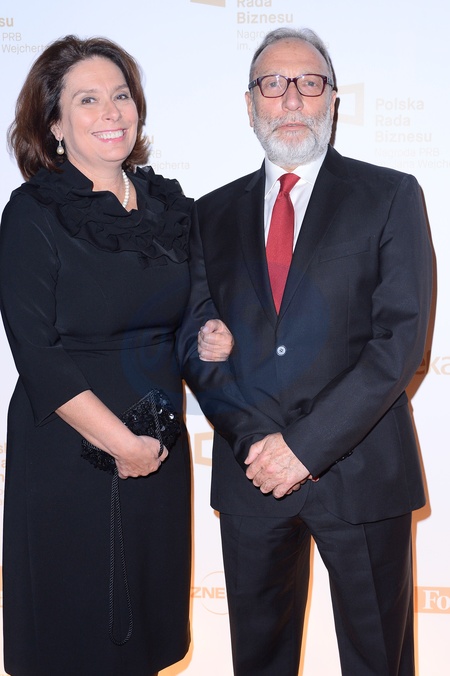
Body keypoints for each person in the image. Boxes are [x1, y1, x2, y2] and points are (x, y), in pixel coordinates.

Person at [180, 27, 433, 676]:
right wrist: (257, 444)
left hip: (363, 476)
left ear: (333, 100)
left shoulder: (390, 195)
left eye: (309, 83)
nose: (291, 98)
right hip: (252, 478)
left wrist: (303, 448)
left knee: (379, 663)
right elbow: (197, 342)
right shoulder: (208, 214)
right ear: (249, 104)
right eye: (273, 84)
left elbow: (399, 342)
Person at [0, 35, 232, 676]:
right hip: (70, 450)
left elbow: (187, 318)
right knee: (77, 635)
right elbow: (37, 353)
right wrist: (119, 444)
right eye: (87, 99)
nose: (111, 112)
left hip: (157, 449)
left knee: (147, 636)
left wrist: (208, 335)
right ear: (54, 124)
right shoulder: (33, 213)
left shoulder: (169, 207)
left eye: (121, 95)